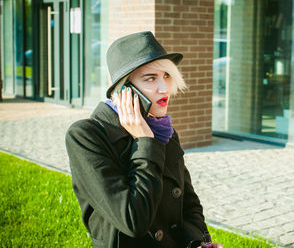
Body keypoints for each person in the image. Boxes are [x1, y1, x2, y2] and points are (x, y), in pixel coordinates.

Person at [66, 31, 223, 248]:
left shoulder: (164, 130)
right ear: (123, 89)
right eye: (150, 78)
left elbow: (189, 202)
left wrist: (197, 242)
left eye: (166, 76)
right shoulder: (86, 135)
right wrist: (145, 141)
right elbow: (133, 221)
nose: (164, 87)